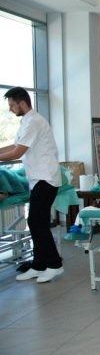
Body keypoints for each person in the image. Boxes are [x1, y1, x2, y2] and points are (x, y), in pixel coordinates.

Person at [0, 87, 64, 283]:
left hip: (46, 178)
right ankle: (38, 265)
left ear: (22, 103)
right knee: (37, 221)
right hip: (37, 179)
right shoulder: (26, 122)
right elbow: (14, 146)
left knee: (36, 222)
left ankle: (54, 264)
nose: (10, 109)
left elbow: (18, 152)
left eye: (12, 105)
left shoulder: (34, 121)